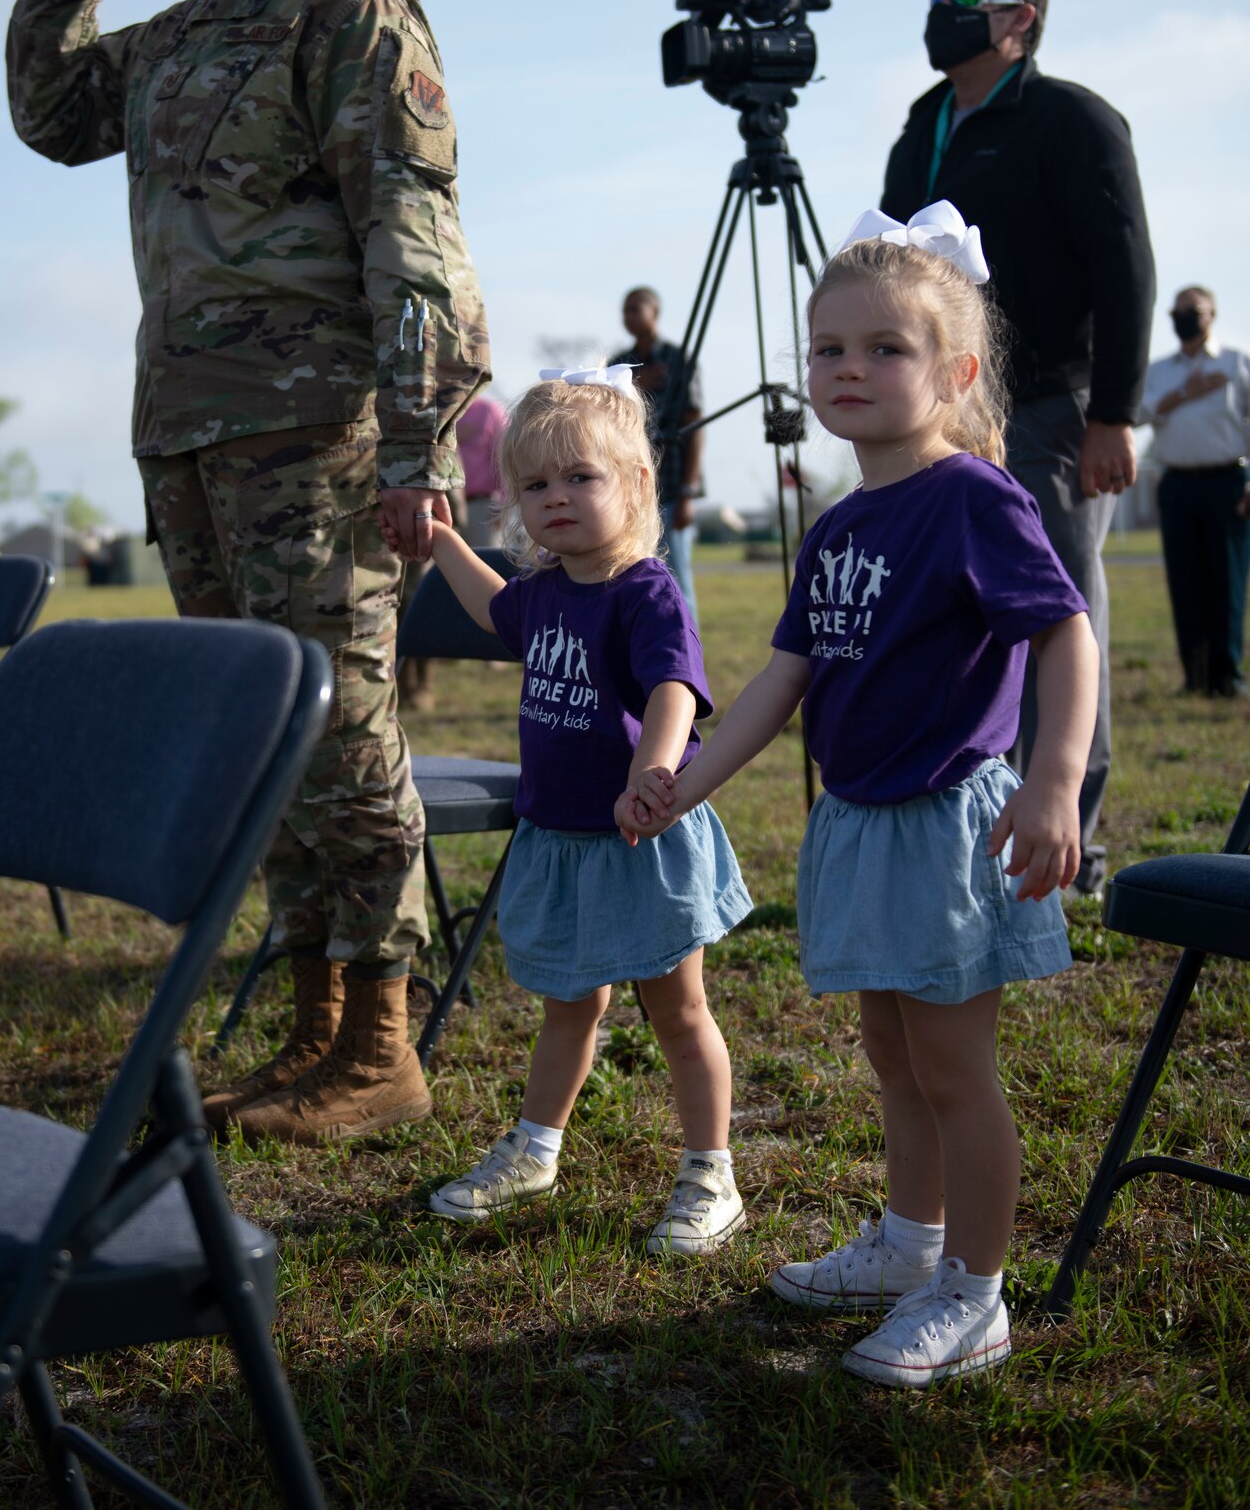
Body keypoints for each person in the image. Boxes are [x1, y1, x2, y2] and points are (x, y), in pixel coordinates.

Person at [7, 0, 490, 1145]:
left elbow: (413, 225)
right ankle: (310, 1028)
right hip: (188, 427)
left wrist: (419, 439)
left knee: (341, 726)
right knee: (255, 736)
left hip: (315, 427)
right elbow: (50, 114)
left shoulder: (347, 6)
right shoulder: (172, 36)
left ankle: (383, 1037)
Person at [629, 204, 1098, 1385]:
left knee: (952, 1069)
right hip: (858, 820)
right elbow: (779, 681)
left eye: (883, 348)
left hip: (944, 824)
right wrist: (684, 783)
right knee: (890, 1054)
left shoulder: (971, 498)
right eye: (826, 348)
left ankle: (975, 1295)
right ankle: (909, 1243)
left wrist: (1051, 781)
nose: (848, 369)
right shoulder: (837, 524)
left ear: (954, 370)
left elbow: (1065, 634)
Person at [396, 370, 753, 1254]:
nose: (556, 499)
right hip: (558, 837)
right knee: (569, 1006)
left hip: (639, 834)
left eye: (580, 478)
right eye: (535, 485)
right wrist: (442, 539)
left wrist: (654, 773)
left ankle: (711, 1172)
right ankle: (536, 1147)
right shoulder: (547, 589)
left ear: (634, 484)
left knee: (677, 1010)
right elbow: (490, 608)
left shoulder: (644, 590)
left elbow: (675, 689)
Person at [880, 0, 1153, 898]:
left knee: (1053, 607)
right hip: (941, 408)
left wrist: (1113, 411)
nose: (941, 6)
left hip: (1049, 406)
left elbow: (1124, 269)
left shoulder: (1070, 119)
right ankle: (974, 808)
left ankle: (1063, 832)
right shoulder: (925, 124)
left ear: (1017, 20)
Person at [1141, 286, 1250, 697]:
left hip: (1227, 484)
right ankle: (1195, 675)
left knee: (1226, 581)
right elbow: (1137, 413)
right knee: (1185, 581)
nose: (1185, 316)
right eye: (1179, 310)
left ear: (1212, 314)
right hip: (1178, 485)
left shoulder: (1237, 363)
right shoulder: (1159, 371)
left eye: (1194, 310)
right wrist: (1183, 393)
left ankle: (1227, 677)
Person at [609, 287, 704, 619]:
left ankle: (686, 658)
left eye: (636, 309)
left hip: (672, 486)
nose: (629, 317)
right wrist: (636, 385)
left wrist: (688, 493)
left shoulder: (678, 360)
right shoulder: (618, 365)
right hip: (629, 491)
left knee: (677, 578)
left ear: (655, 312)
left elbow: (694, 425)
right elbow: (606, 421)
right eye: (625, 310)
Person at [454, 390, 509, 548]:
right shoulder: (438, 414)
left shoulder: (489, 411)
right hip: (444, 506)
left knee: (484, 562)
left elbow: (504, 461)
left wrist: (505, 505)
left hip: (481, 507)